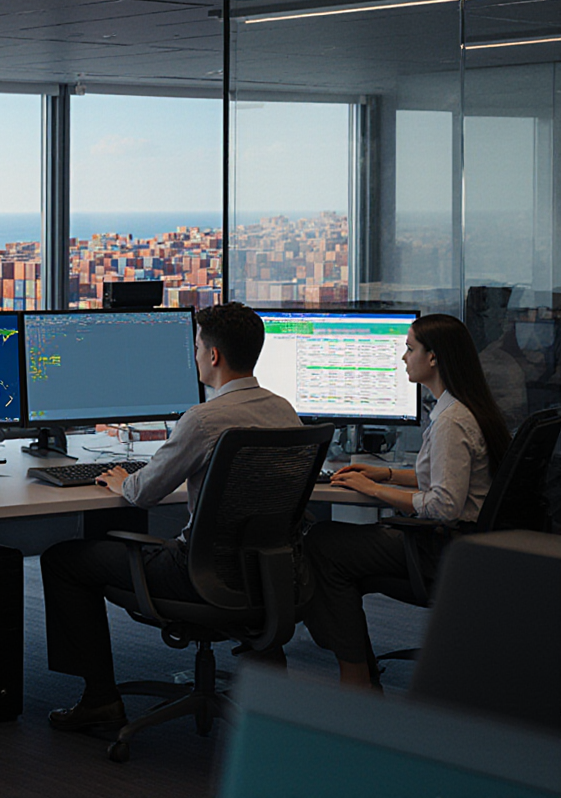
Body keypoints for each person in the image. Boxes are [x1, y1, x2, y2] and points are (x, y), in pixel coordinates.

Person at [39, 302, 302, 733]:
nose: (194, 356)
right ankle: (272, 693)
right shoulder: (284, 411)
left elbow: (144, 493)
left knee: (63, 560)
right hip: (264, 573)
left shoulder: (203, 419)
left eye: (197, 347)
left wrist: (122, 478)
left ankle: (100, 699)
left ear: (213, 356)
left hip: (196, 574)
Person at [303, 312, 509, 688]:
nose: (403, 358)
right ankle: (357, 669)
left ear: (434, 358)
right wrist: (384, 474)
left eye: (410, 348)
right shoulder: (465, 409)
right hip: (461, 542)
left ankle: (355, 677)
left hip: (438, 546)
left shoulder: (451, 422)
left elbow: (443, 504)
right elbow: (446, 478)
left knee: (321, 545)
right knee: (333, 549)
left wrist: (373, 490)